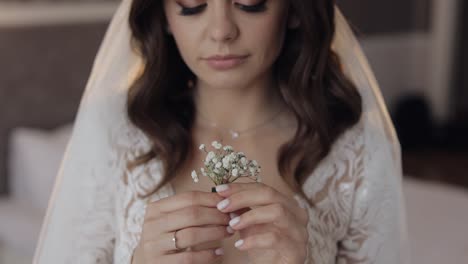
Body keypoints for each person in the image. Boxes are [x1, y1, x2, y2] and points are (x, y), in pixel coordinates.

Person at [33, 0, 411, 263]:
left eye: (249, 3)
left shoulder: (356, 152)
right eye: (192, 5)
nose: (221, 31)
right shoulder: (114, 131)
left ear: (293, 10)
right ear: (164, 15)